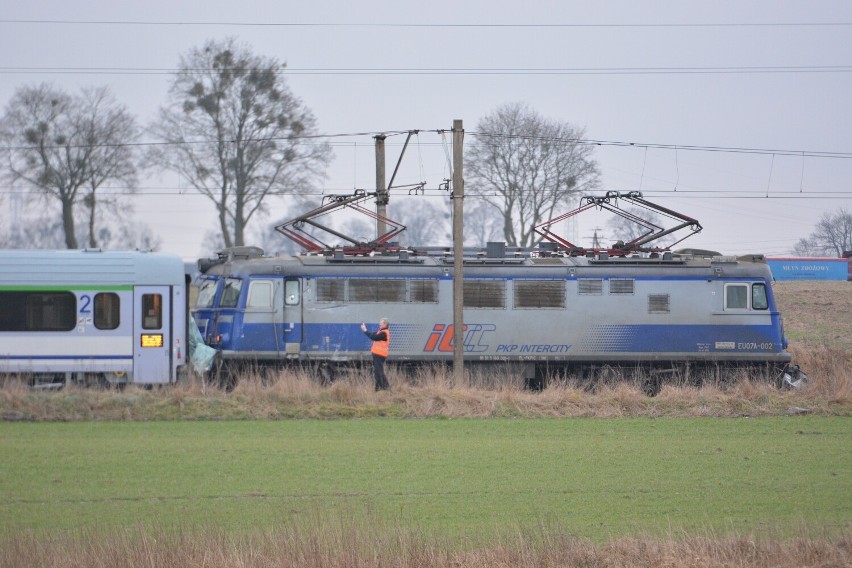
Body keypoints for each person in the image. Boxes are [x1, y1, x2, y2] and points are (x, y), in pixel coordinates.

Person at [360, 318, 390, 391]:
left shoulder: (384, 333)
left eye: (381, 323)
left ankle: (379, 389)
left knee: (378, 372)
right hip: (378, 354)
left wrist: (365, 330)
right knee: (380, 371)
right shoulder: (381, 331)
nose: (379, 324)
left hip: (379, 355)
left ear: (385, 324)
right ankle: (386, 388)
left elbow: (374, 337)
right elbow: (372, 334)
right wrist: (365, 329)